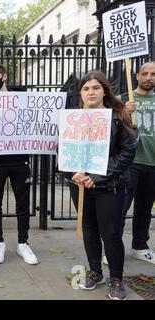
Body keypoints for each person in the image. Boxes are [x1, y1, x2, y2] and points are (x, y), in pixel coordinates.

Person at [65, 71, 137, 300]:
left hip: (110, 186)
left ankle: (116, 279)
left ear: (104, 91)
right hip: (81, 186)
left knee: (111, 234)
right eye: (86, 89)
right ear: (81, 94)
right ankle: (95, 271)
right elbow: (63, 150)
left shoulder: (117, 116)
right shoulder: (73, 118)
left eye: (95, 87)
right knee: (89, 230)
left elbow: (127, 152)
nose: (90, 92)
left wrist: (97, 176)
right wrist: (72, 172)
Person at [0, 63, 38, 265]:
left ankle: (23, 242)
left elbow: (33, 122)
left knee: (23, 201)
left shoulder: (22, 96)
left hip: (20, 158)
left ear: (3, 76)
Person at [120, 61, 155, 264]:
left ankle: (140, 246)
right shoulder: (124, 99)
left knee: (144, 208)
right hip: (130, 163)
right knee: (120, 208)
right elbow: (106, 124)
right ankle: (113, 248)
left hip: (152, 163)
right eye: (145, 74)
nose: (149, 77)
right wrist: (123, 111)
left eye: (153, 74)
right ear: (137, 76)